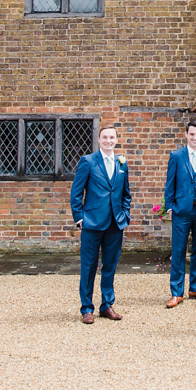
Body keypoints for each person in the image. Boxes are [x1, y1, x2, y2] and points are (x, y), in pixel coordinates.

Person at [70, 124, 131, 324]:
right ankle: (87, 308)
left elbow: (125, 194)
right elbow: (76, 192)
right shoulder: (88, 161)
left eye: (112, 137)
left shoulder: (122, 163)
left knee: (110, 266)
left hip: (115, 223)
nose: (108, 141)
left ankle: (107, 305)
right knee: (88, 266)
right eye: (105, 137)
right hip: (92, 223)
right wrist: (80, 218)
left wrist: (125, 215)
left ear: (116, 140)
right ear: (99, 139)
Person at [163, 120, 196, 308]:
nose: (195, 137)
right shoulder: (176, 156)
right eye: (192, 134)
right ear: (186, 134)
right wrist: (169, 205)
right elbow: (170, 182)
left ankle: (195, 287)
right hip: (182, 211)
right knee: (178, 251)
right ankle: (176, 292)